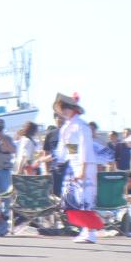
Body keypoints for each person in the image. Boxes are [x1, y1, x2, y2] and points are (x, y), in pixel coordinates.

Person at [53, 92, 100, 243]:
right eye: (62, 108)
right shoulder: (67, 127)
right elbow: (68, 150)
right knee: (73, 199)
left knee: (85, 198)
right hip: (74, 165)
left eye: (66, 107)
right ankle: (85, 229)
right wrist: (56, 159)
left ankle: (90, 232)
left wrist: (82, 168)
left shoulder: (81, 126)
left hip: (84, 165)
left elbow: (85, 148)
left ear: (73, 108)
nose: (64, 111)